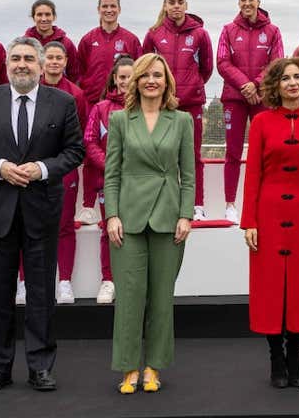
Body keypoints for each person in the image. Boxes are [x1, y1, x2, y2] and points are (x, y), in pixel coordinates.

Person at [0, 37, 85, 394]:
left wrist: (42, 170)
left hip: (42, 211)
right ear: (6, 64)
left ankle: (40, 366)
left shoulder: (62, 103)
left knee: (41, 295)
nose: (22, 64)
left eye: (29, 58)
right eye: (15, 58)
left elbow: (74, 151)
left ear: (42, 65)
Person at [102, 53, 195, 394]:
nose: (151, 80)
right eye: (145, 75)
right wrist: (112, 214)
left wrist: (186, 214)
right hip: (128, 219)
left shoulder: (182, 120)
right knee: (129, 296)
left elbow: (189, 172)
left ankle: (153, 367)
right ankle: (128, 367)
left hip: (170, 218)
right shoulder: (120, 120)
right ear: (135, 81)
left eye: (158, 75)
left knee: (161, 298)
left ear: (167, 81)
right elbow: (111, 174)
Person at [242, 57, 299, 389]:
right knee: (270, 289)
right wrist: (249, 221)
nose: (292, 83)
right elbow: (252, 174)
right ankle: (275, 358)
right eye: (286, 78)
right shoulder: (263, 122)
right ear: (276, 85)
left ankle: (295, 356)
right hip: (267, 213)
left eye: (297, 77)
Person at [141, 0, 212, 219]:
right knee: (160, 154)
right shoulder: (153, 34)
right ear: (165, 5)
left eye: (180, 2)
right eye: (171, 2)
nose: (176, 6)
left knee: (193, 155)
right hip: (161, 104)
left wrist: (190, 87)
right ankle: (163, 203)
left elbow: (206, 68)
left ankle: (197, 204)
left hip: (191, 103)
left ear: (186, 5)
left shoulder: (200, 34)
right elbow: (145, 67)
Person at [218, 0, 284, 223]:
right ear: (239, 3)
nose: (247, 3)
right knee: (233, 152)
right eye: (243, 0)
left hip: (262, 97)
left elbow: (277, 63)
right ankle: (230, 205)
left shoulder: (273, 31)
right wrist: (245, 86)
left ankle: (265, 200)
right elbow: (222, 63)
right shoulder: (227, 30)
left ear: (258, 2)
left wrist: (255, 85)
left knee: (267, 151)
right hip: (234, 98)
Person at [37, 41, 89, 305]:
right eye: (50, 58)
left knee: (65, 225)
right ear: (42, 61)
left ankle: (64, 280)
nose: (54, 62)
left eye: (59, 57)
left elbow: (78, 133)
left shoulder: (76, 94)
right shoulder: (33, 89)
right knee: (31, 224)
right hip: (34, 167)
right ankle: (27, 282)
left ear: (66, 61)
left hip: (64, 169)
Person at [83, 56, 134, 304]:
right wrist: (112, 167)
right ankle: (109, 280)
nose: (126, 82)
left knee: (137, 232)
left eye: (131, 77)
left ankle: (132, 281)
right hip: (109, 181)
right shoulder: (100, 108)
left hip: (140, 183)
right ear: (115, 79)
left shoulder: (146, 108)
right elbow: (90, 142)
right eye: (122, 77)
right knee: (110, 231)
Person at [77, 0, 142, 102]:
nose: (109, 10)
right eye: (105, 6)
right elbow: (79, 72)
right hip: (92, 101)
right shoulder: (87, 40)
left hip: (123, 103)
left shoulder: (131, 40)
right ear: (98, 9)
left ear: (119, 9)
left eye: (113, 6)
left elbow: (139, 71)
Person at [25, 0, 80, 84]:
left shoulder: (66, 43)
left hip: (59, 92)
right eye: (39, 15)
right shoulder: (25, 43)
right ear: (33, 17)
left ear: (54, 17)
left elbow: (74, 73)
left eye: (47, 14)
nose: (44, 19)